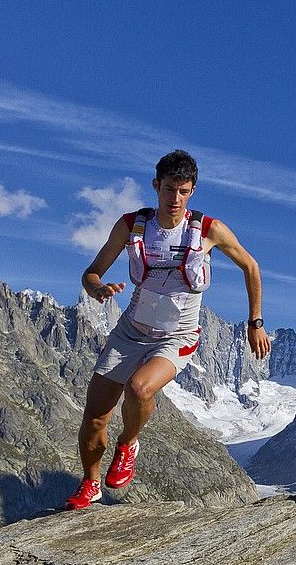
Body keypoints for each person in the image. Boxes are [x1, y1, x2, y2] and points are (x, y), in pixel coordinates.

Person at [64, 149, 271, 510]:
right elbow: (91, 272)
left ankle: (128, 443)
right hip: (130, 331)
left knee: (140, 388)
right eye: (169, 189)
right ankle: (90, 483)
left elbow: (251, 266)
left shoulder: (209, 230)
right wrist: (98, 289)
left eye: (184, 191)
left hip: (178, 336)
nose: (175, 198)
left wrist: (255, 322)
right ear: (156, 185)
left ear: (191, 192)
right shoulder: (132, 225)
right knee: (95, 417)